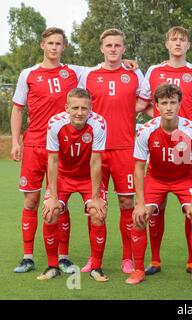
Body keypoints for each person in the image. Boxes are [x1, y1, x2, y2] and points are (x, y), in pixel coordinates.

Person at [136, 26, 192, 276]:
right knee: (156, 207)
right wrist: (157, 119)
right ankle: (154, 261)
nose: (178, 43)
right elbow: (143, 103)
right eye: (173, 39)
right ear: (166, 44)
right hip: (159, 140)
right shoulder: (154, 71)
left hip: (188, 143)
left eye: (182, 40)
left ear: (188, 45)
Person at [11, 27, 85, 274]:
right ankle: (28, 257)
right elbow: (18, 108)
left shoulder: (74, 72)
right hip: (34, 145)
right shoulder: (28, 74)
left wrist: (129, 64)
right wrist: (15, 141)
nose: (54, 47)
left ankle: (62, 257)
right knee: (31, 200)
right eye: (50, 43)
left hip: (62, 147)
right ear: (42, 45)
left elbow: (102, 70)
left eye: (59, 43)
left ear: (64, 47)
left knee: (59, 202)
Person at [126, 83, 192, 286]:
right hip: (156, 179)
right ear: (157, 106)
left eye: (173, 102)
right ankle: (139, 269)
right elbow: (138, 167)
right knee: (139, 217)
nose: (169, 107)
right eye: (164, 103)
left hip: (184, 178)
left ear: (180, 104)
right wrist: (139, 202)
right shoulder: (146, 130)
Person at [78, 28, 145, 274]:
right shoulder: (89, 75)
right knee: (95, 206)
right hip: (95, 150)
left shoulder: (134, 74)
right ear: (102, 48)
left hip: (125, 149)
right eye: (109, 45)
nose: (113, 49)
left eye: (118, 45)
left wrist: (129, 109)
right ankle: (95, 260)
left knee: (127, 202)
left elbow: (146, 99)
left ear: (124, 49)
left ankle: (127, 258)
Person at [38, 88, 108, 281]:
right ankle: (52, 266)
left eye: (84, 108)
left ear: (90, 109)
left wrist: (95, 199)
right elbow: (51, 161)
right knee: (50, 212)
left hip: (87, 178)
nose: (79, 112)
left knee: (98, 213)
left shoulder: (99, 123)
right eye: (75, 107)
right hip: (62, 177)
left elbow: (96, 162)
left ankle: (96, 267)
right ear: (66, 107)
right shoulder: (55, 123)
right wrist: (52, 197)